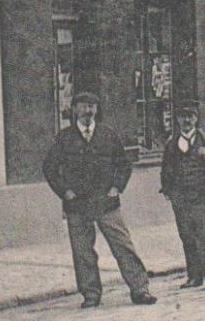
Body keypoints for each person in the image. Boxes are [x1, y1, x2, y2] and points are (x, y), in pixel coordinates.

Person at [42, 91, 156, 308]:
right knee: (83, 251)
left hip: (106, 202)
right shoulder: (64, 138)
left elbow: (124, 164)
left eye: (92, 106)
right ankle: (91, 293)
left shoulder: (108, 135)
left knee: (123, 246)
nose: (88, 111)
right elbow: (49, 167)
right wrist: (64, 191)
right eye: (83, 106)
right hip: (78, 205)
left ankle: (140, 289)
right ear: (74, 109)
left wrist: (116, 187)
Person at [159, 101, 205, 291]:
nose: (186, 120)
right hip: (180, 197)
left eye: (190, 116)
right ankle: (194, 276)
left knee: (202, 234)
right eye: (182, 117)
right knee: (187, 236)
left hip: (203, 195)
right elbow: (165, 169)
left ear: (196, 118)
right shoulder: (171, 144)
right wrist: (168, 190)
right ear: (177, 120)